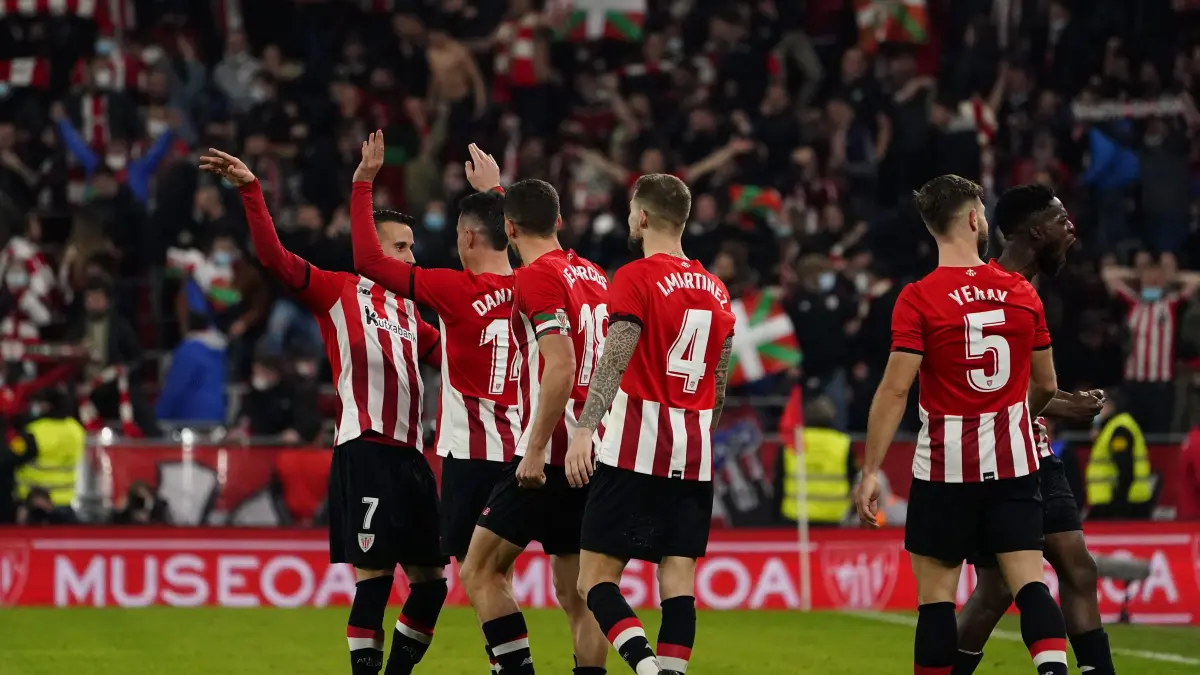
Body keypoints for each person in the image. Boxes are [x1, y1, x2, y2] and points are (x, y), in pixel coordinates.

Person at [199, 148, 447, 675]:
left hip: (412, 459)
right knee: (374, 581)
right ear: (373, 248)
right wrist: (251, 192)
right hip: (366, 452)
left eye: (412, 247)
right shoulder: (338, 291)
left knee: (432, 585)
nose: (412, 257)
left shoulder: (411, 311)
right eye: (401, 247)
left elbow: (455, 357)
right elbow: (275, 259)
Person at [853, 175, 1071, 675]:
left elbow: (894, 391)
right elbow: (1046, 384)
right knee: (1030, 585)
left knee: (936, 601)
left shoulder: (919, 297)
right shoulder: (1021, 292)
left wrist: (870, 471)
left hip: (944, 471)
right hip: (1013, 467)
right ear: (974, 219)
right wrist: (1014, 415)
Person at [348, 133, 519, 672]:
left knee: (478, 574)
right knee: (535, 577)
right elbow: (523, 240)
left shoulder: (453, 289)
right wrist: (496, 192)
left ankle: (512, 667)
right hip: (527, 449)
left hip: (473, 455)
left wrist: (363, 183)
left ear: (466, 236)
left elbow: (367, 260)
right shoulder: (534, 285)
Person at [564, 173, 736, 675]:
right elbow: (719, 384)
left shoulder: (635, 276)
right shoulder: (718, 291)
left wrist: (584, 428)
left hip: (635, 447)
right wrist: (699, 437)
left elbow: (615, 358)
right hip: (694, 452)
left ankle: (646, 668)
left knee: (594, 580)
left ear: (641, 216)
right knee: (678, 581)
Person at [953, 184, 1115, 675]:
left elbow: (1023, 383)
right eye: (1062, 221)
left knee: (1078, 567)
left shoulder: (1031, 289)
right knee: (997, 589)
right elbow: (986, 388)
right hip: (992, 457)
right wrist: (1063, 405)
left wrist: (1063, 402)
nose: (1072, 230)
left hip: (1035, 450)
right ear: (1036, 230)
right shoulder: (985, 290)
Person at [457, 178, 610, 675]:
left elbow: (561, 365)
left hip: (552, 451)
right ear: (559, 221)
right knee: (577, 593)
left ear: (509, 229)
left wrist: (536, 448)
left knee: (479, 569)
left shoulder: (535, 278)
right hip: (592, 449)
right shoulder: (593, 275)